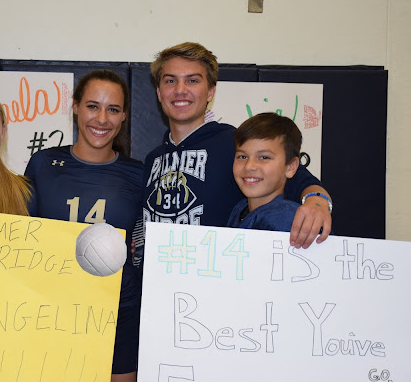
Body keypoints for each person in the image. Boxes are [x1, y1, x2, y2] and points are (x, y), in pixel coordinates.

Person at [142, 42, 332, 249]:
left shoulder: (234, 142)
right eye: (170, 81)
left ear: (211, 92)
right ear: (159, 92)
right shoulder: (153, 158)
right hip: (158, 267)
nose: (180, 90)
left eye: (192, 80)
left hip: (217, 267)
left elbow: (295, 176)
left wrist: (317, 202)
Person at [24, 70, 143, 382]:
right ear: (75, 106)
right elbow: (22, 236)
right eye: (92, 106)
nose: (102, 119)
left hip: (117, 307)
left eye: (113, 109)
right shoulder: (42, 164)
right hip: (51, 306)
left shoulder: (139, 174)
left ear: (124, 116)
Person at [227, 112, 313, 231]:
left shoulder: (288, 220)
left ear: (291, 167)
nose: (249, 166)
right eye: (242, 157)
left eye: (264, 157)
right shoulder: (240, 209)